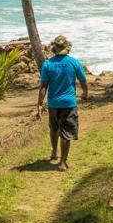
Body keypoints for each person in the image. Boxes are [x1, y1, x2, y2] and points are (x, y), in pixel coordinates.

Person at [37, 35, 88, 171]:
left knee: (53, 129)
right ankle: (63, 162)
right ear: (67, 48)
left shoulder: (48, 64)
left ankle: (54, 152)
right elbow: (83, 81)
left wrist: (40, 104)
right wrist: (85, 94)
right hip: (68, 104)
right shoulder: (74, 63)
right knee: (66, 133)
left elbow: (43, 86)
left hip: (53, 103)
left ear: (54, 49)